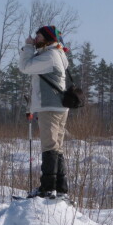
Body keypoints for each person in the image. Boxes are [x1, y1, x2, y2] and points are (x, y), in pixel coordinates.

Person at [18, 25, 70, 199]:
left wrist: (28, 47)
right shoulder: (57, 54)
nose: (35, 38)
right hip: (58, 106)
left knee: (49, 147)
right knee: (57, 147)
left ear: (47, 38)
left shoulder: (50, 56)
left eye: (38, 36)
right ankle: (60, 188)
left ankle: (47, 189)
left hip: (50, 106)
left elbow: (24, 67)